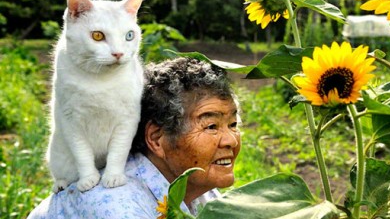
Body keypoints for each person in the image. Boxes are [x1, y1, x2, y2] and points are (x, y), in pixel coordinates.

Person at [28, 57, 241, 218]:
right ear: (157, 139)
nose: (230, 140)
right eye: (211, 126)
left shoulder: (198, 190)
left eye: (233, 124)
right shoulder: (115, 205)